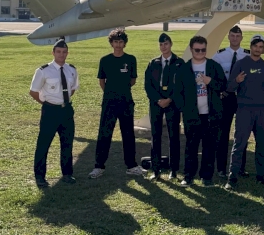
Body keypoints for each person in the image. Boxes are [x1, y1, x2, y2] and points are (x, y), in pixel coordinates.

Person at [88, 29, 144, 179]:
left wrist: (121, 90)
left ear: (125, 43)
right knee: (104, 134)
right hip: (109, 103)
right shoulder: (105, 60)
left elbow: (133, 80)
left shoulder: (131, 59)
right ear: (111, 43)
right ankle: (99, 166)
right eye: (115, 42)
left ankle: (131, 165)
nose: (118, 45)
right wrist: (111, 93)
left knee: (128, 135)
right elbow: (102, 81)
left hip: (126, 102)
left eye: (121, 42)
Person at [225, 34, 264, 190]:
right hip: (244, 109)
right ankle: (232, 176)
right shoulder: (241, 64)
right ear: (251, 47)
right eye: (255, 46)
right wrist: (237, 81)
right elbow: (229, 88)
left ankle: (261, 174)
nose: (258, 49)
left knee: (261, 143)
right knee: (239, 143)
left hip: (261, 110)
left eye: (261, 47)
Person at [174, 35, 227, 187]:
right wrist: (185, 109)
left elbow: (223, 85)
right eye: (197, 50)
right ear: (191, 50)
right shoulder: (184, 69)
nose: (200, 52)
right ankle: (188, 176)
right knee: (191, 146)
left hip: (211, 115)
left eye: (203, 50)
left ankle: (206, 176)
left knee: (209, 147)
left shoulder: (213, 66)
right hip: (192, 115)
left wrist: (210, 81)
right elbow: (178, 93)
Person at [29, 39, 79, 188]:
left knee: (67, 144)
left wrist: (63, 101)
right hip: (50, 111)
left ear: (67, 53)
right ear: (53, 53)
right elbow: (33, 91)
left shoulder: (72, 69)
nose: (61, 55)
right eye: (58, 52)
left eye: (64, 52)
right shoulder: (43, 71)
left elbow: (73, 88)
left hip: (66, 111)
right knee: (43, 145)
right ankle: (40, 177)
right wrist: (47, 104)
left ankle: (67, 174)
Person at [144, 32, 184, 181]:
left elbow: (181, 85)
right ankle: (156, 169)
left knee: (174, 136)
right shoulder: (153, 63)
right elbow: (148, 85)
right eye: (161, 44)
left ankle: (174, 170)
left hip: (172, 104)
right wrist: (158, 99)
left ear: (171, 44)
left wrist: (169, 99)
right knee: (156, 136)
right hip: (156, 104)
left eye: (166, 44)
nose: (163, 47)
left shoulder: (179, 63)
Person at [211, 25, 249, 178]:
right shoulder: (219, 56)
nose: (235, 39)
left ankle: (240, 167)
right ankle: (221, 167)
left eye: (238, 36)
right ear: (228, 37)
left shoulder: (247, 55)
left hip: (242, 97)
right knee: (223, 133)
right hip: (226, 97)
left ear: (241, 38)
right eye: (232, 36)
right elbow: (214, 76)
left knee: (242, 133)